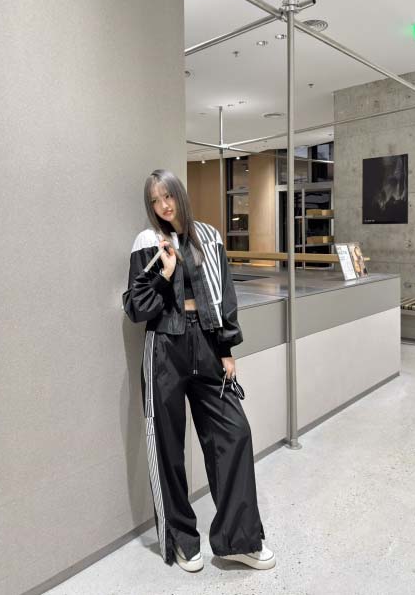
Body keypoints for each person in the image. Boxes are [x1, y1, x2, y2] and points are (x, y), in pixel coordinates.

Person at [122, 169, 275, 572]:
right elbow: (136, 307)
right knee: (167, 446)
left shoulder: (209, 236)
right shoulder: (148, 242)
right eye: (155, 201)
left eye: (168, 196)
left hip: (207, 345)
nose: (163, 206)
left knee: (235, 434)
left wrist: (225, 348)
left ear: (179, 194)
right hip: (164, 348)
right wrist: (164, 274)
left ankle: (239, 540)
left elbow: (225, 295)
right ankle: (180, 540)